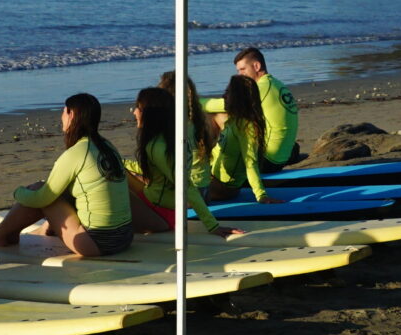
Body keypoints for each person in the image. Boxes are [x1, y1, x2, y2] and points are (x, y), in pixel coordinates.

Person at [0, 93, 134, 259]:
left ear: (71, 114)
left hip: (96, 243)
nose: (61, 117)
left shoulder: (78, 152)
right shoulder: (107, 146)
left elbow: (43, 198)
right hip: (125, 237)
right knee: (66, 192)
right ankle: (17, 233)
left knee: (39, 189)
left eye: (63, 112)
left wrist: (18, 193)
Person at [126, 85, 237, 237]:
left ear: (150, 113)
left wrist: (213, 226)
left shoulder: (158, 146)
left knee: (110, 180)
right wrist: (121, 162)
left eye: (138, 107)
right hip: (159, 203)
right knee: (116, 171)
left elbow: (186, 186)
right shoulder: (168, 138)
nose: (135, 112)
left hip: (160, 212)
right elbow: (158, 171)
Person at [232, 47, 301, 168]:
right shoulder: (276, 83)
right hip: (285, 153)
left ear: (256, 66)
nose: (239, 75)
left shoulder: (260, 88)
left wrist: (198, 102)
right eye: (238, 71)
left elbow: (226, 106)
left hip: (269, 159)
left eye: (243, 69)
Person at [208, 74, 272, 203]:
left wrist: (261, 195)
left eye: (228, 91)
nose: (225, 94)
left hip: (223, 187)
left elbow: (250, 162)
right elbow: (201, 104)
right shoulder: (232, 119)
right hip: (213, 178)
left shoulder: (247, 127)